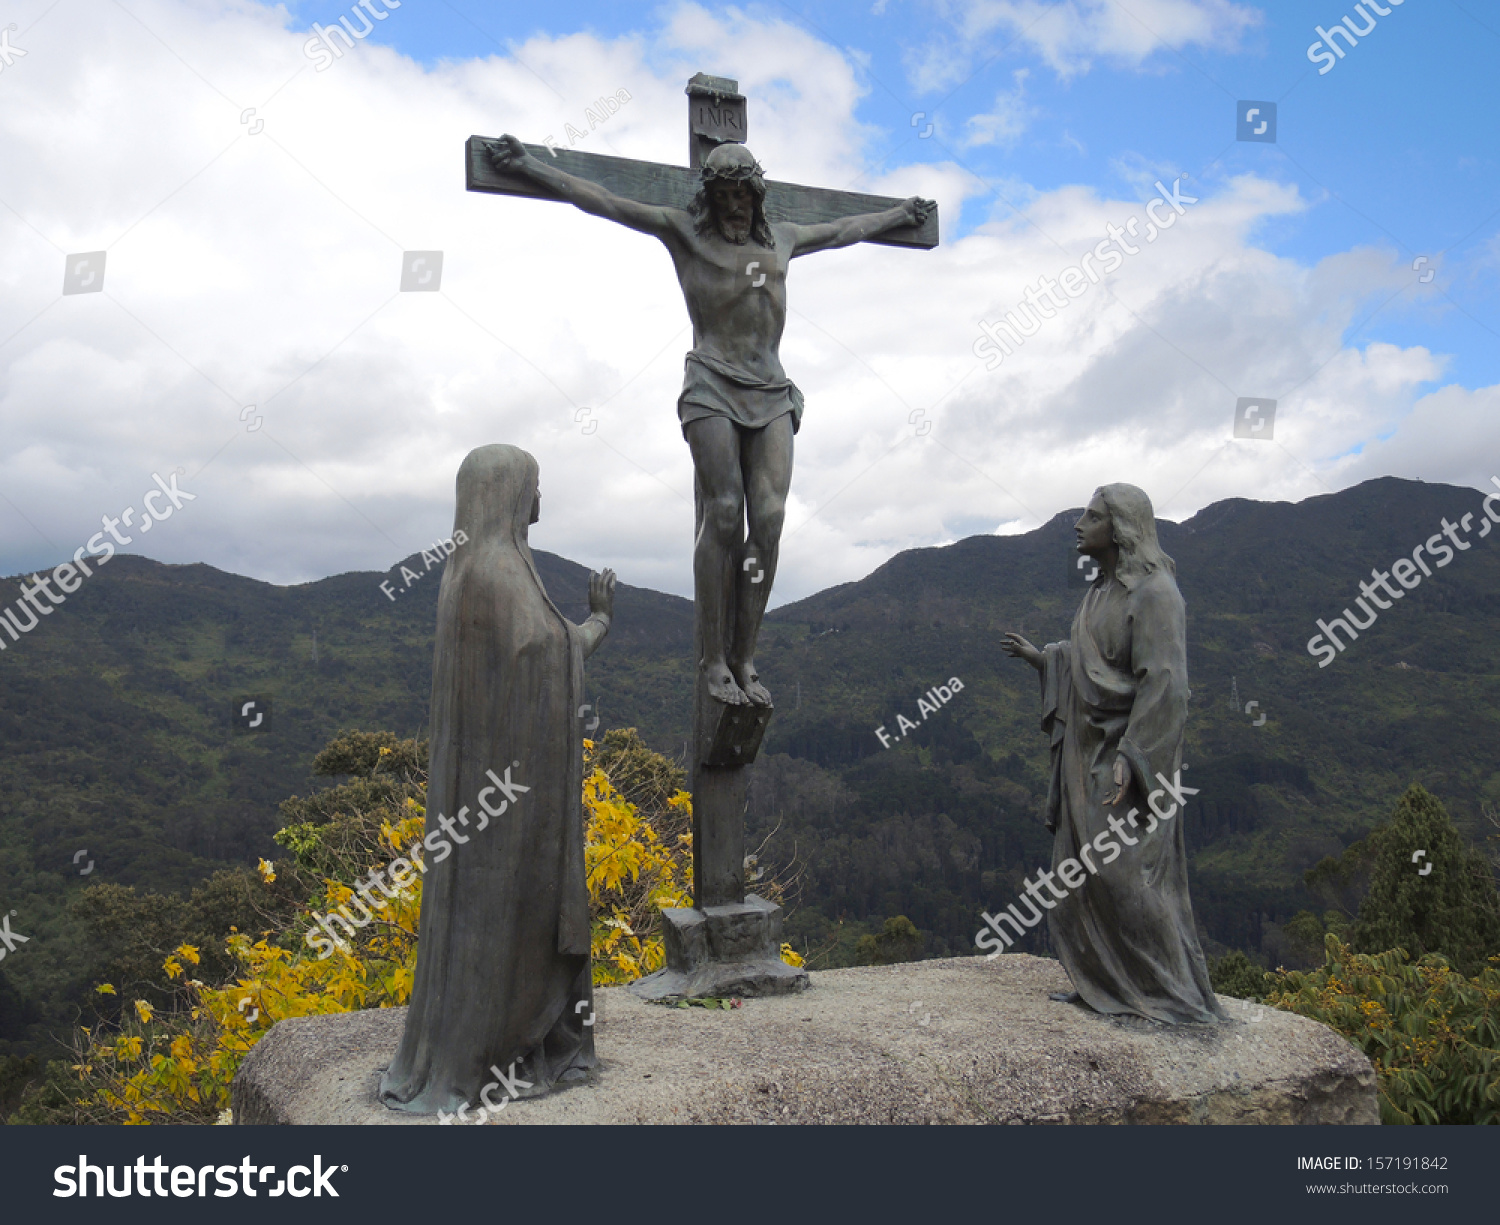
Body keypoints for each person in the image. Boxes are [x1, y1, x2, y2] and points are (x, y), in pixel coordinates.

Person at [487, 134, 933, 709]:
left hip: (772, 390)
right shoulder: (685, 235)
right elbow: (601, 198)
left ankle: (745, 655)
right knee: (724, 510)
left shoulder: (786, 240)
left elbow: (846, 230)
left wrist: (899, 214)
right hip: (711, 385)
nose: (733, 207)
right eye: (723, 196)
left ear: (756, 198)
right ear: (711, 198)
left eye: (742, 196)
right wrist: (528, 166)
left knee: (768, 518)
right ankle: (712, 658)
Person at [380, 444, 616, 1113]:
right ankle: (501, 1052)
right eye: (534, 488)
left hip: (480, 801)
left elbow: (536, 649)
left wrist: (577, 632)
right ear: (511, 494)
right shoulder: (500, 570)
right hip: (510, 815)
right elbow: (543, 651)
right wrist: (596, 623)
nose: (540, 502)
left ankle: (506, 1048)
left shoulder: (463, 570)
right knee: (518, 926)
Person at [1002, 484, 1224, 1024]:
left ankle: (1173, 996)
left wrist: (1134, 754)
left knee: (1127, 879)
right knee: (1077, 875)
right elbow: (1084, 660)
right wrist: (1044, 661)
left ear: (1121, 528)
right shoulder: (1100, 593)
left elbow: (1166, 684)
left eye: (1092, 516)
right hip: (1084, 755)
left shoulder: (1156, 594)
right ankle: (1104, 984)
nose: (1079, 523)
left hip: (1124, 763)